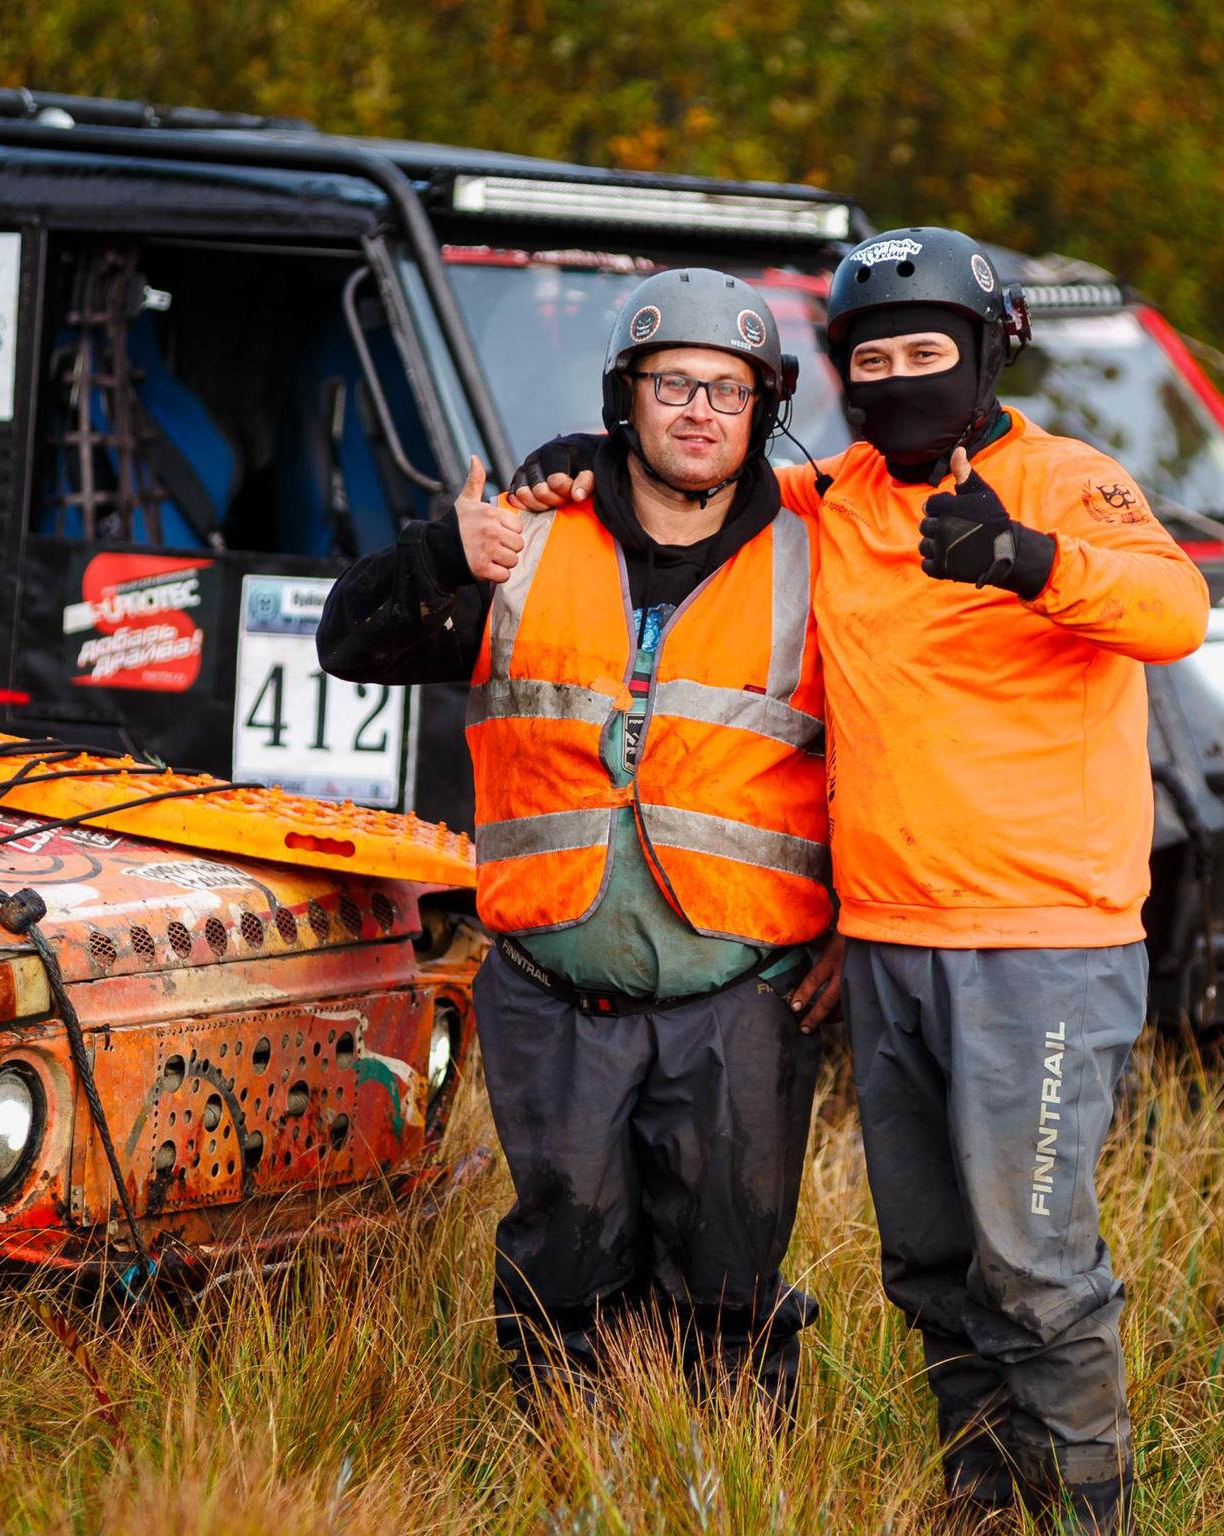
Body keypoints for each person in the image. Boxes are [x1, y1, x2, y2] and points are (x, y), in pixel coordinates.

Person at [507, 228, 1209, 1536]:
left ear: (989, 349)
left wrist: (1031, 560)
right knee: (931, 1255)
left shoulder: (1065, 478)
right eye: (869, 361)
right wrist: (584, 466)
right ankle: (987, 1498)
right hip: (885, 943)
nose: (898, 380)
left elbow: (1178, 609)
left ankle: (1095, 1529)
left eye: (926, 353)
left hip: (1042, 940)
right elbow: (699, 479)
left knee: (1033, 1256)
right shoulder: (834, 496)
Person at [318, 269, 845, 1413]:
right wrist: (440, 554)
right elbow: (349, 640)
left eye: (729, 388)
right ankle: (561, 1495)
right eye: (672, 383)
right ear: (624, 399)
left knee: (728, 1285)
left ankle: (738, 1513)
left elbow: (888, 755)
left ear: (765, 410)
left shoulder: (820, 550)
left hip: (742, 999)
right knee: (562, 1269)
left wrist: (864, 925)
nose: (700, 409)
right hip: (552, 992)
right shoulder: (523, 538)